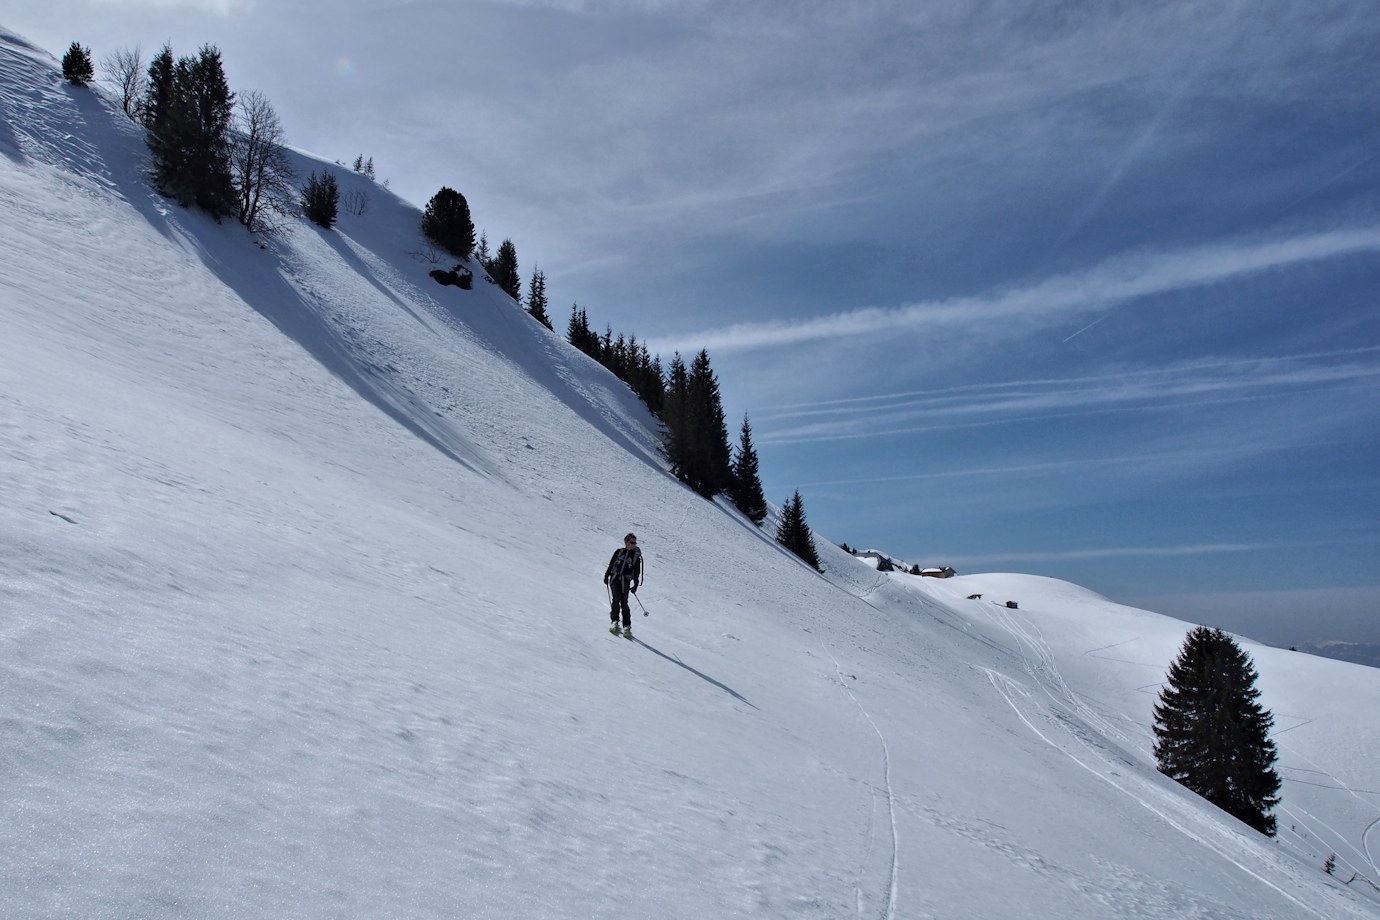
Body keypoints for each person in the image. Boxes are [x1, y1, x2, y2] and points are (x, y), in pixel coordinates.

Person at [604, 533, 643, 637]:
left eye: (635, 542)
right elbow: (612, 564)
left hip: (626, 580)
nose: (633, 544)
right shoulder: (619, 552)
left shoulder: (636, 557)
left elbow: (636, 571)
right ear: (626, 542)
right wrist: (606, 575)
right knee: (616, 598)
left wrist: (635, 584)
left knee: (624, 602)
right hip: (615, 578)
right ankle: (614, 621)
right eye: (631, 542)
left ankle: (627, 625)